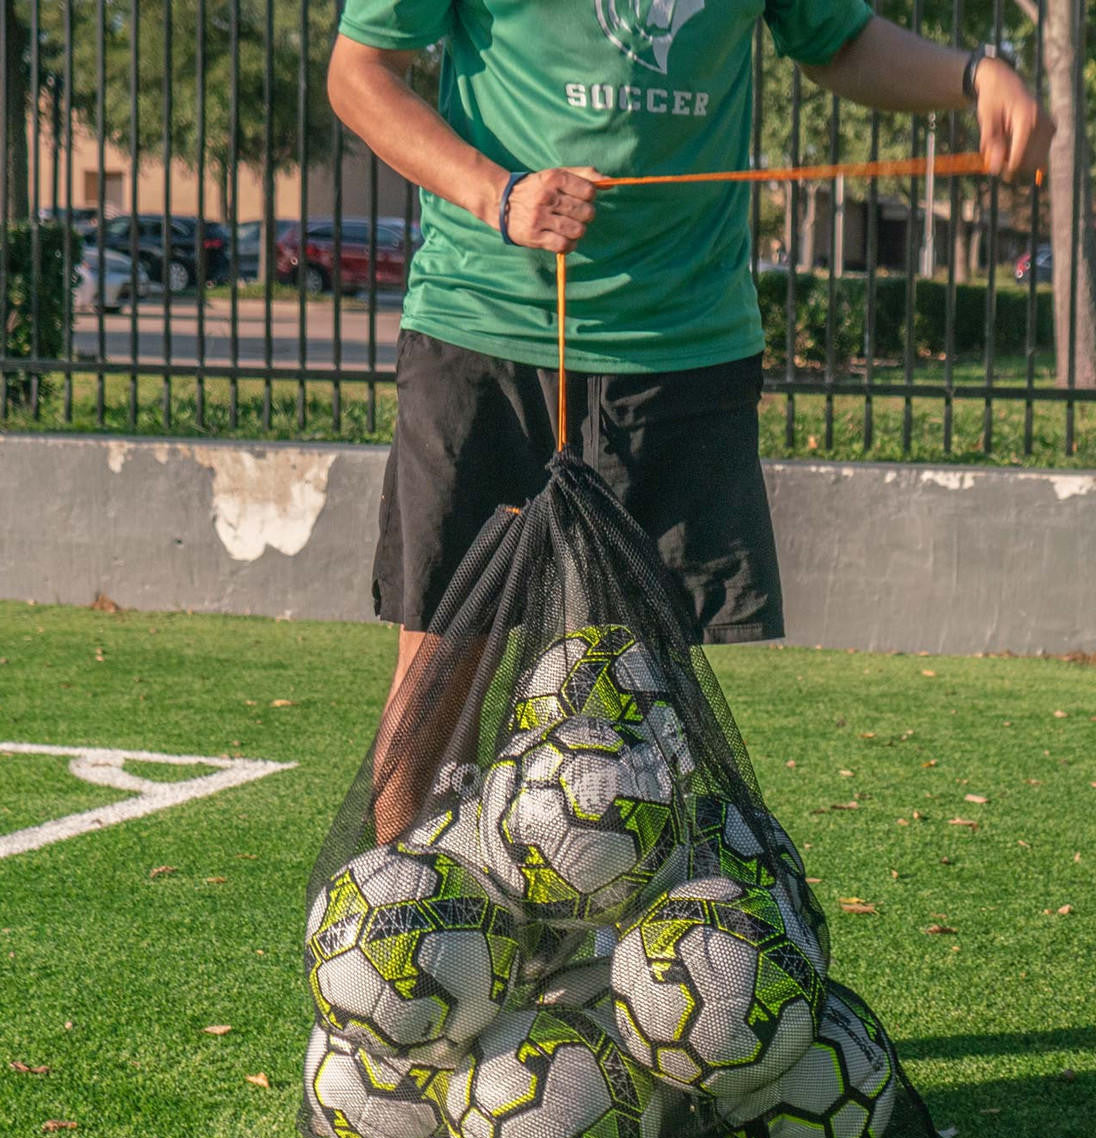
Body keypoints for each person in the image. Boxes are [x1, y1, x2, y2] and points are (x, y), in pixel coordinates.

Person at [325, 0, 1054, 832]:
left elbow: (840, 41)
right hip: (484, 326)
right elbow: (360, 71)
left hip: (684, 344)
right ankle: (402, 927)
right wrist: (499, 193)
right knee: (442, 669)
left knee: (639, 698)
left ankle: (602, 957)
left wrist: (975, 74)